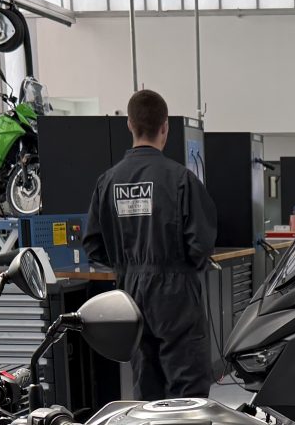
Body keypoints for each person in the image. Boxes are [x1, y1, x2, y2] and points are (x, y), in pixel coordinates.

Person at [83, 89, 219, 399]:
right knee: (188, 388)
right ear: (165, 126)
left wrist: (127, 265)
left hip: (130, 293)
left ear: (129, 124)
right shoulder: (181, 179)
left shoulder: (108, 182)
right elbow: (201, 245)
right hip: (176, 294)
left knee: (146, 384)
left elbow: (93, 244)